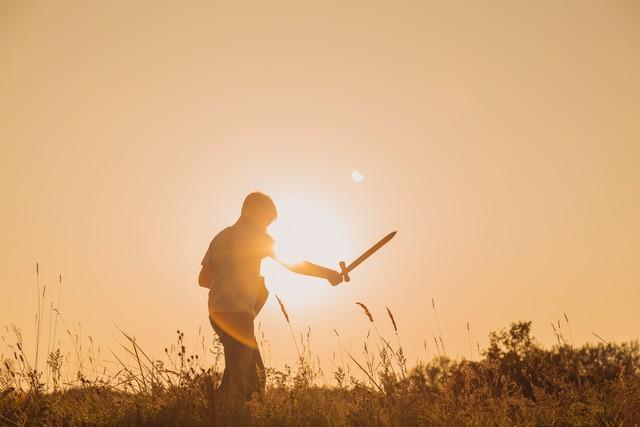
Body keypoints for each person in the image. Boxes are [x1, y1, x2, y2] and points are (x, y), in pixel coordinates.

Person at [199, 192, 342, 401]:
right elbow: (293, 264)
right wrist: (328, 274)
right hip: (238, 315)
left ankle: (213, 412)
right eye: (266, 221)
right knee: (251, 381)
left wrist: (233, 281)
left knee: (238, 375)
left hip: (217, 313)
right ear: (255, 212)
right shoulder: (256, 236)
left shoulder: (220, 237)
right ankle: (223, 416)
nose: (266, 227)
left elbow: (203, 279)